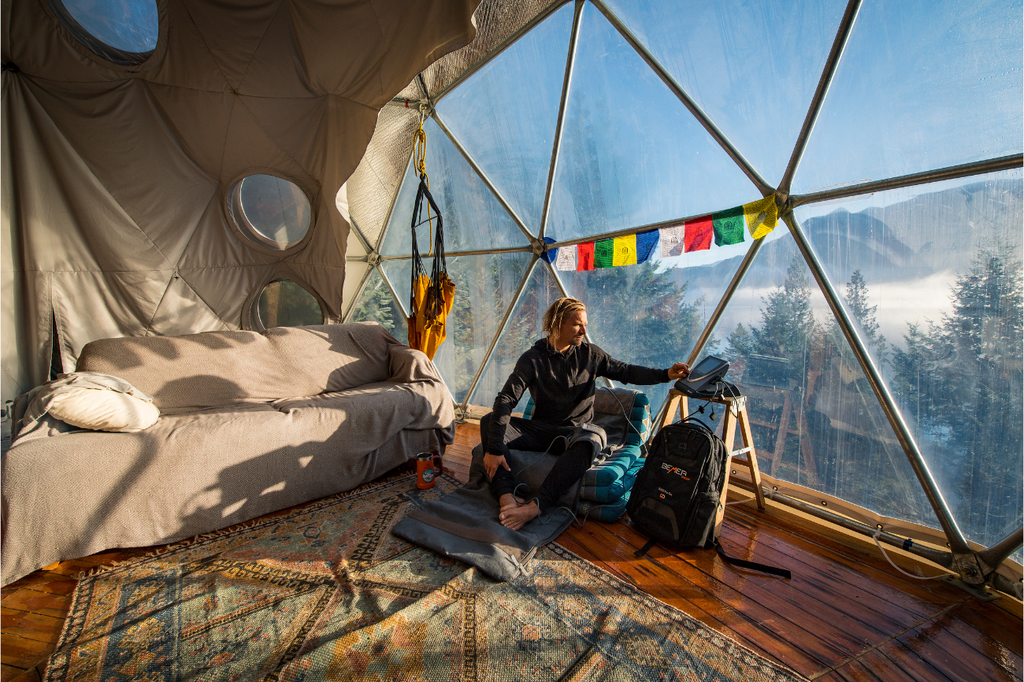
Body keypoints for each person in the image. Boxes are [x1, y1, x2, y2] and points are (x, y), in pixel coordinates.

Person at [480, 297, 690, 530]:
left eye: (585, 324)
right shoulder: (533, 358)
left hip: (576, 434)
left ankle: (536, 506)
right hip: (543, 431)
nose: (583, 329)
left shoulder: (591, 355)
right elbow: (506, 399)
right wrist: (494, 448)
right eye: (577, 324)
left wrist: (666, 374)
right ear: (557, 323)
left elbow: (627, 371)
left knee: (593, 438)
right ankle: (506, 497)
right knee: (489, 421)